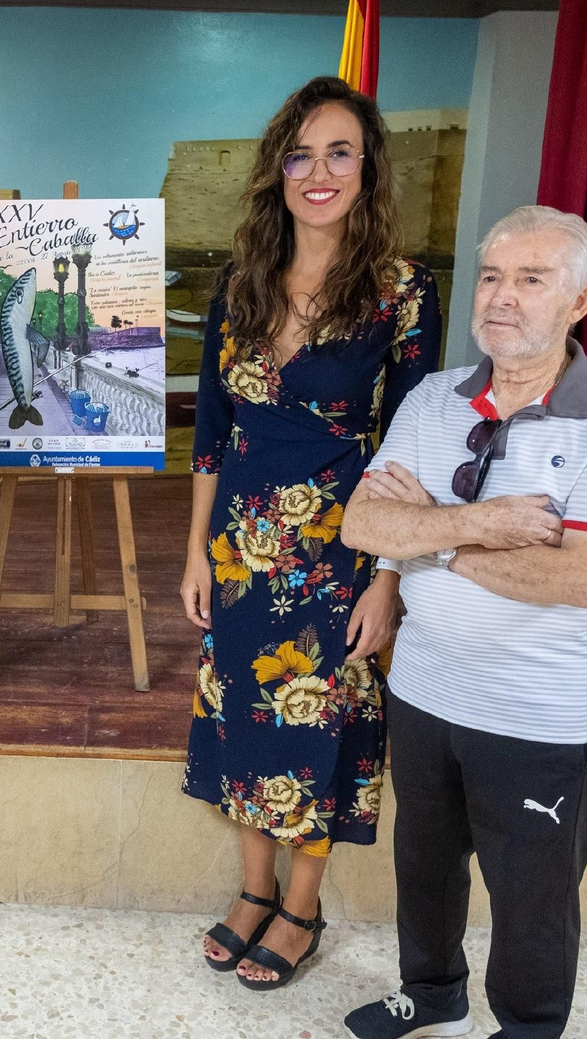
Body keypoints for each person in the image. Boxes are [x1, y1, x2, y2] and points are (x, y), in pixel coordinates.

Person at [338, 205, 587, 1039]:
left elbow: (577, 575)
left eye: (530, 278)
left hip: (535, 713)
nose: (501, 297)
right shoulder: (432, 396)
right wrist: (481, 526)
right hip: (424, 691)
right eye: (490, 276)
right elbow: (363, 526)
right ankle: (431, 994)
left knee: (532, 897)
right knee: (426, 867)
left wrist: (432, 533)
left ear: (581, 298)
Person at [179, 75, 440, 991]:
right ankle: (253, 891)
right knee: (248, 720)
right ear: (277, 170)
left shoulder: (402, 293)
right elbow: (212, 433)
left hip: (343, 554)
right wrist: (196, 557)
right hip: (243, 551)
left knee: (324, 727)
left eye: (340, 152)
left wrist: (390, 581)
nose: (318, 171)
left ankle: (302, 906)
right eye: (301, 153)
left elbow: (413, 450)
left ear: (367, 169)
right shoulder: (238, 283)